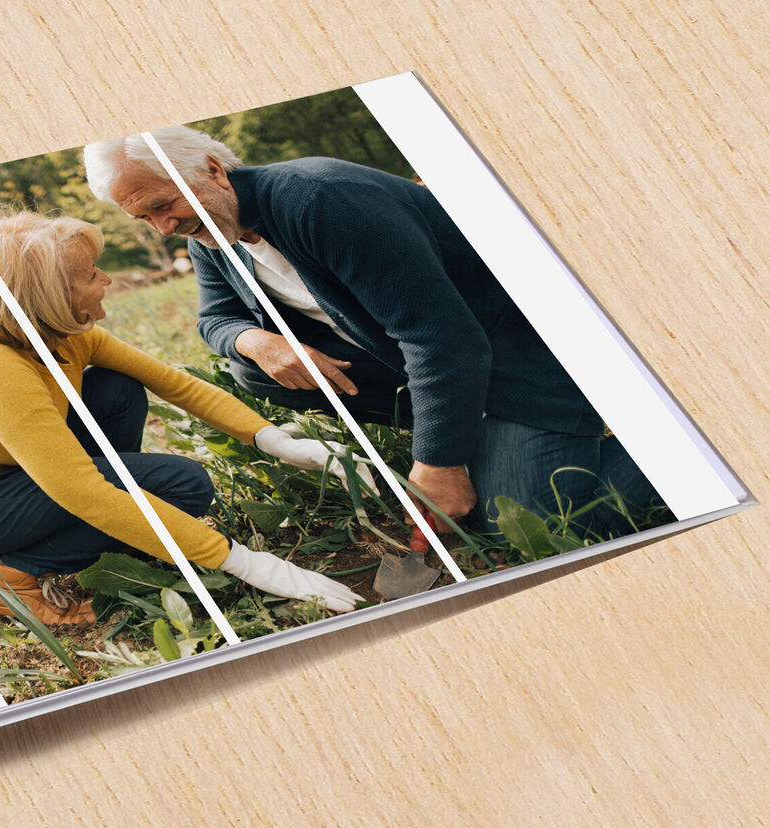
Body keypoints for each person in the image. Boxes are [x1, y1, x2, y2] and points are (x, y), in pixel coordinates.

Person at [83, 127, 658, 537]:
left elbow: (442, 341)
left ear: (213, 169)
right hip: (433, 367)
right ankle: (468, 431)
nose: (163, 226)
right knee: (247, 368)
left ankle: (667, 436)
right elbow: (214, 320)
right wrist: (253, 339)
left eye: (164, 205)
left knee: (528, 528)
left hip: (517, 359)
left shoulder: (320, 200)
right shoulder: (212, 232)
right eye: (144, 218)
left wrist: (439, 464)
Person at [0, 211, 364, 626]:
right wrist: (247, 562)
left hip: (5, 465)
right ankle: (11, 578)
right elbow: (80, 489)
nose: (106, 280)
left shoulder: (64, 334)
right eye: (90, 275)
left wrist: (279, 441)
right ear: (45, 298)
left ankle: (127, 525)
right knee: (181, 486)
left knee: (116, 390)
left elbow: (177, 384)